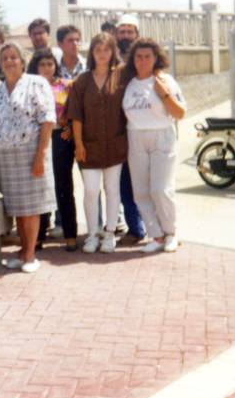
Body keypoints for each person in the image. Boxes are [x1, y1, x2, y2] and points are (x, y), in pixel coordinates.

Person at [0, 42, 56, 273]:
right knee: (17, 208)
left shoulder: (37, 83)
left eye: (14, 57)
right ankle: (22, 251)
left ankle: (30, 255)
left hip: (31, 151)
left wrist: (40, 156)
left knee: (31, 208)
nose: (9, 61)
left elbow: (47, 120)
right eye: (5, 58)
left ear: (22, 60)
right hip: (5, 155)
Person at [122, 38, 186, 253]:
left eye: (147, 56)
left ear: (156, 58)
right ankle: (156, 236)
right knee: (140, 191)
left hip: (162, 135)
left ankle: (171, 232)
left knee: (160, 189)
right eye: (138, 57)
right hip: (135, 136)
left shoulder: (165, 80)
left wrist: (164, 94)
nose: (142, 61)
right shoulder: (129, 82)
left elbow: (180, 113)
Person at [66, 33, 127, 254]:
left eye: (106, 50)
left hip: (115, 145)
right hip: (89, 146)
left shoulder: (121, 78)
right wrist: (79, 144)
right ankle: (92, 234)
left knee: (112, 190)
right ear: (92, 52)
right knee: (91, 190)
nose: (102, 54)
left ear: (113, 52)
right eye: (98, 50)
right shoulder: (82, 81)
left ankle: (110, 234)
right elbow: (76, 116)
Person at [28, 48, 78, 251]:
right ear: (35, 67)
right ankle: (38, 236)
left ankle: (70, 235)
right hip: (37, 140)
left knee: (63, 186)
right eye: (42, 64)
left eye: (50, 63)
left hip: (60, 139)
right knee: (39, 186)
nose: (47, 68)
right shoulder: (29, 87)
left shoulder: (66, 86)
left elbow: (75, 110)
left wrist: (70, 128)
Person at [114, 13, 146, 242]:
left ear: (137, 34)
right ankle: (136, 228)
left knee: (147, 183)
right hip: (120, 132)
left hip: (145, 131)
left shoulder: (145, 59)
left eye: (130, 31)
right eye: (122, 31)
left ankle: (155, 228)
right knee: (125, 183)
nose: (126, 35)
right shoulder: (111, 59)